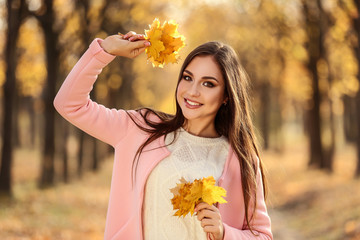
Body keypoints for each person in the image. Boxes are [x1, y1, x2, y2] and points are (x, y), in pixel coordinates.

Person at [54, 31, 273, 240]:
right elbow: (69, 104)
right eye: (188, 78)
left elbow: (262, 235)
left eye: (208, 83)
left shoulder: (240, 160)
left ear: (226, 95)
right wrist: (105, 50)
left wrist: (224, 232)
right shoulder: (141, 129)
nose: (192, 91)